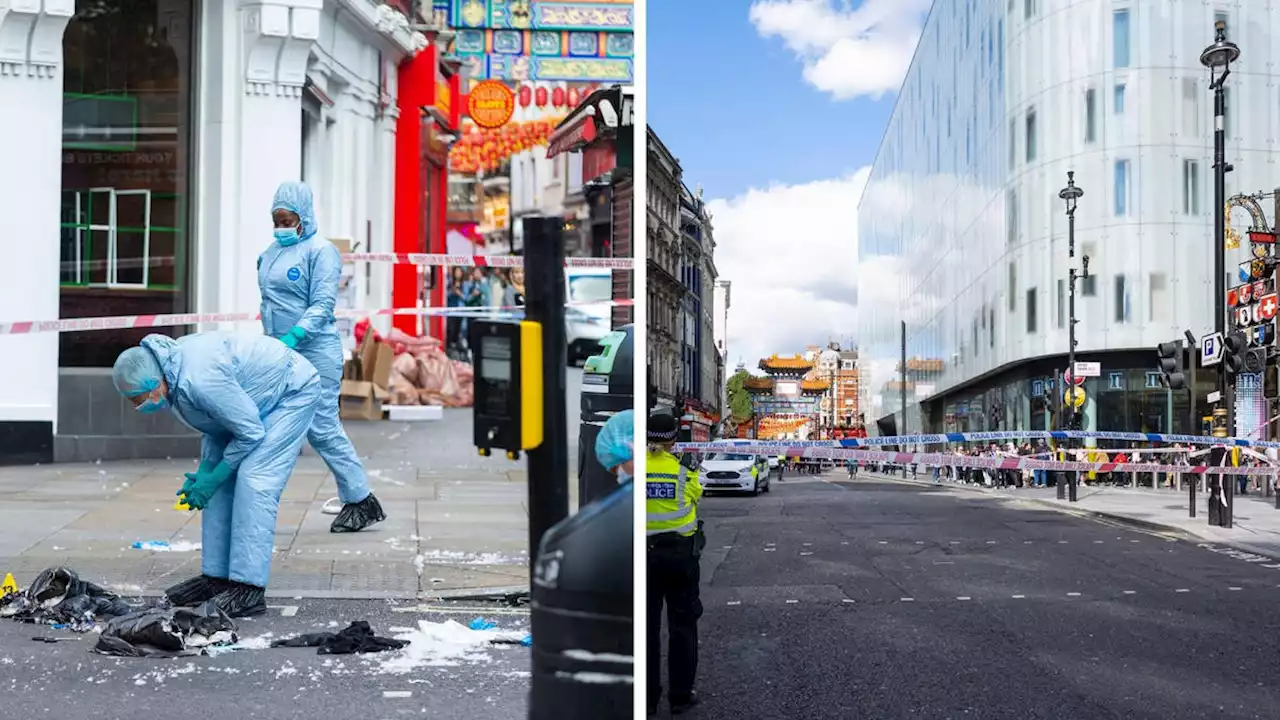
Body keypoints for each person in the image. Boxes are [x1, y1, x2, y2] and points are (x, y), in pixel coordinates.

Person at [111, 332, 320, 618]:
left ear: (153, 383)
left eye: (138, 398)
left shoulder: (199, 378)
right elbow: (216, 424)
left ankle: (249, 588)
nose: (137, 406)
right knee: (221, 489)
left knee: (254, 480)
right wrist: (207, 471)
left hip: (291, 392)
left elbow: (249, 432)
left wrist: (218, 472)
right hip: (254, 403)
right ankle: (217, 578)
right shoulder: (171, 377)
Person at [258, 181, 385, 533]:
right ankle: (259, 498)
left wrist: (296, 334)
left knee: (322, 427)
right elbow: (268, 303)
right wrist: (271, 342)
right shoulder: (269, 253)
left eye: (288, 219)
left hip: (314, 350)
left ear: (304, 216)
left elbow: (322, 304)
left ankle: (361, 499)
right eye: (277, 219)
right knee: (272, 423)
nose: (282, 226)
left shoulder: (321, 252)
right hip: (278, 352)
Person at [646, 410, 703, 716]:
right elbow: (695, 498)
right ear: (673, 439)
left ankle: (647, 699)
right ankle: (680, 696)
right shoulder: (684, 471)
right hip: (680, 557)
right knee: (682, 626)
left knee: (647, 628)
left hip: (644, 556)